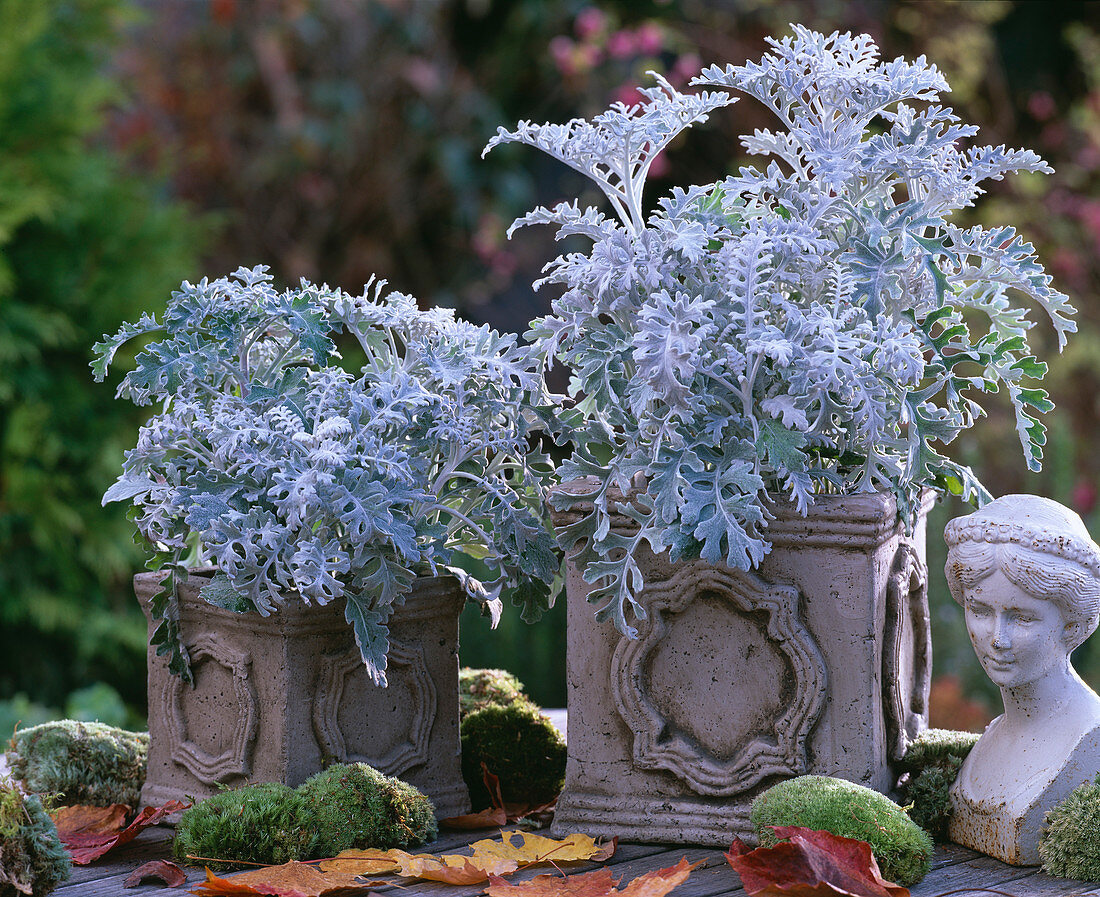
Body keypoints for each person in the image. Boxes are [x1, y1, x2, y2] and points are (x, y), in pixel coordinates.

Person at [944, 494, 1100, 865]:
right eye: (980, 611)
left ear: (1073, 624)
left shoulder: (1089, 738)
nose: (998, 638)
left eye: (1023, 618)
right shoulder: (994, 735)